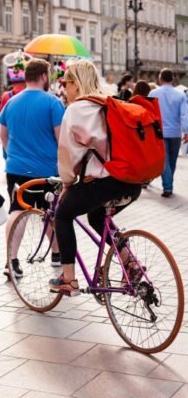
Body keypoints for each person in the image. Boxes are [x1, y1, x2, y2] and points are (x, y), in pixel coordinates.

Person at [51, 59, 143, 296]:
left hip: (105, 183)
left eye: (66, 84)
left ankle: (68, 280)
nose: (64, 89)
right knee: (96, 217)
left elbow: (68, 154)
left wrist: (67, 183)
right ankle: (130, 263)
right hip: (132, 181)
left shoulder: (77, 109)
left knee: (62, 214)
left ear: (76, 84)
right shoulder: (112, 102)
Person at [0, 58, 65, 279]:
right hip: (48, 171)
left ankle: (11, 261)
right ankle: (56, 254)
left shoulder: (11, 103)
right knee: (50, 213)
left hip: (16, 168)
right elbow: (61, 138)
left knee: (17, 212)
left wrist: (12, 154)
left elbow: (3, 133)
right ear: (44, 76)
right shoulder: (53, 103)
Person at [148, 69, 188, 198]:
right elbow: (184, 115)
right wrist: (186, 130)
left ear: (160, 78)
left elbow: (148, 113)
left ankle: (168, 185)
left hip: (159, 132)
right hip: (176, 132)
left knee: (165, 160)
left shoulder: (153, 93)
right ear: (173, 79)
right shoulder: (180, 94)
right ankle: (168, 186)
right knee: (172, 160)